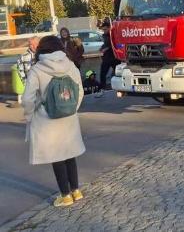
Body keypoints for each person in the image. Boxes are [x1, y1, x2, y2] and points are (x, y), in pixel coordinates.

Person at [21, 35, 86, 207]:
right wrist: (71, 108)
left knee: (56, 155)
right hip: (69, 118)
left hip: (47, 119)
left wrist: (30, 115)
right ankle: (76, 191)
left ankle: (64, 196)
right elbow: (80, 91)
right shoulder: (70, 65)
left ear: (42, 49)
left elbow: (28, 99)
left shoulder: (37, 69)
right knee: (69, 153)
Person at [14, 36, 40, 106]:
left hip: (42, 83)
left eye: (35, 44)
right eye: (30, 44)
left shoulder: (43, 54)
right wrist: (25, 81)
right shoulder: (24, 55)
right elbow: (20, 69)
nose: (33, 46)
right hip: (30, 83)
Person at [98, 20, 119, 90]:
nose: (104, 31)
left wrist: (106, 48)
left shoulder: (113, 34)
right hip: (107, 58)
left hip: (114, 57)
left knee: (118, 72)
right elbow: (106, 44)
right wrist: (102, 48)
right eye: (103, 29)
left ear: (109, 28)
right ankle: (102, 87)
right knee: (102, 73)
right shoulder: (105, 35)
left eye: (105, 29)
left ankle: (119, 86)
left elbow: (113, 43)